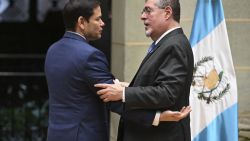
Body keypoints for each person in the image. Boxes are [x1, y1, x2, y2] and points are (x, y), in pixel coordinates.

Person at [45, 0, 191, 141]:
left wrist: (123, 89)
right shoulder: (89, 56)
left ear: (167, 13)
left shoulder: (53, 50)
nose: (103, 23)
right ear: (82, 22)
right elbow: (110, 97)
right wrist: (157, 117)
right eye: (98, 19)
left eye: (148, 10)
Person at [95, 0, 194, 141]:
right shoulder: (165, 43)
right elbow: (159, 84)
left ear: (167, 13)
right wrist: (129, 86)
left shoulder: (174, 45)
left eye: (148, 10)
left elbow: (167, 93)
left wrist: (123, 93)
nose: (142, 16)